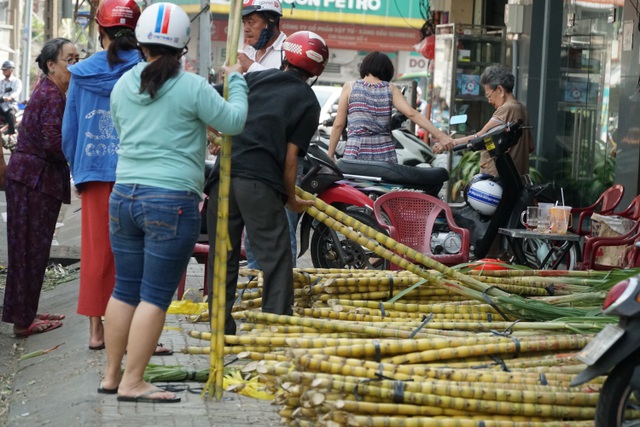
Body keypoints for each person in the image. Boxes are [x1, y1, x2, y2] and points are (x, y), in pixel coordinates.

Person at [100, 2, 247, 403]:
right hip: (171, 201)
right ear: (183, 47)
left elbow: (122, 129)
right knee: (154, 295)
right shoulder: (192, 86)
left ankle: (112, 376)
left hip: (124, 196)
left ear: (141, 44)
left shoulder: (121, 85)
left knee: (125, 289)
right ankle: (133, 382)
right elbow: (233, 122)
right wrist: (238, 81)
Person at [206, 30, 328, 335]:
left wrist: (219, 137)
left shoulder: (253, 80)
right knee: (276, 257)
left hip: (222, 178)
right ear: (316, 70)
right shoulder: (308, 101)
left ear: (285, 56)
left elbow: (206, 105)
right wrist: (290, 198)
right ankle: (275, 328)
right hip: (258, 183)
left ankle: (221, 330)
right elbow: (290, 159)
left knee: (223, 255)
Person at [62, 0, 143, 351]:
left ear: (100, 30)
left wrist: (77, 168)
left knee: (97, 252)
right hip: (138, 171)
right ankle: (135, 333)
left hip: (94, 172)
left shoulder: (80, 73)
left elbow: (71, 129)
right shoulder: (146, 69)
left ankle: (97, 333)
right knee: (136, 252)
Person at [1, 38, 79, 337]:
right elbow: (53, 141)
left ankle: (26, 312)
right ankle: (23, 322)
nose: (74, 65)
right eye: (68, 60)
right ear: (51, 65)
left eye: (77, 58)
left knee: (33, 252)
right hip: (33, 181)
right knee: (28, 253)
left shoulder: (53, 92)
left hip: (34, 181)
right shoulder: (51, 95)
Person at [327, 51, 453, 162]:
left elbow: (338, 124)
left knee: (354, 188)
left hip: (356, 151)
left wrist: (330, 155)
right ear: (387, 71)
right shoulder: (390, 89)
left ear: (364, 67)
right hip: (384, 152)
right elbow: (411, 113)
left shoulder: (349, 87)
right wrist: (441, 136)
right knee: (386, 188)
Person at [433, 64, 534, 178]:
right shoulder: (522, 108)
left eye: (489, 96)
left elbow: (480, 137)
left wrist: (452, 142)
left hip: (497, 181)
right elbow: (530, 146)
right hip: (517, 182)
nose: (489, 101)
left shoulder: (506, 109)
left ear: (500, 90)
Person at [237, 0, 286, 73]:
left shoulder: (288, 52)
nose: (245, 29)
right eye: (244, 23)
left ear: (271, 19)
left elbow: (288, 83)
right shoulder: (248, 52)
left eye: (250, 22)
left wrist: (250, 66)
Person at [0, 60, 22, 138]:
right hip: (1, 105)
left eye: (5, 70)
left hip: (11, 105)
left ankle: (11, 134)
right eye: (3, 70)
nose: (3, 71)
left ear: (11, 70)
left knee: (11, 114)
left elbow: (17, 92)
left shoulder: (17, 81)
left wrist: (10, 97)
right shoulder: (1, 82)